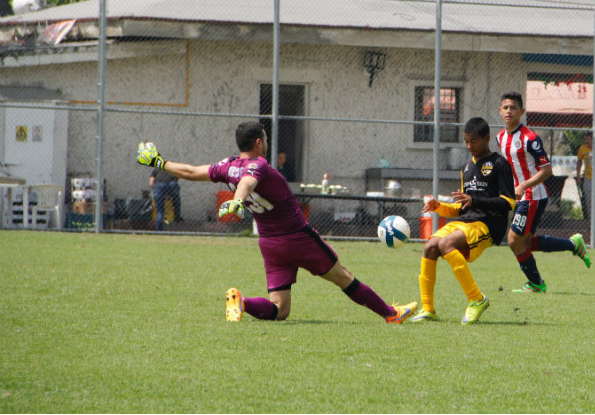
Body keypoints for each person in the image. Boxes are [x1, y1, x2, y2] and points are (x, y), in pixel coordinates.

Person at [136, 121, 417, 323]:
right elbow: (249, 181)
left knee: (280, 310)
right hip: (297, 237)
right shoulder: (258, 165)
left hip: (269, 244)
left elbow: (190, 171)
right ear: (258, 142)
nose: (267, 143)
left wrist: (159, 162)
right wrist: (238, 198)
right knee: (343, 277)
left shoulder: (228, 165)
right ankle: (391, 315)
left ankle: (242, 303)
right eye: (266, 139)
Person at [410, 117, 514, 325]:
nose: (469, 146)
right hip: (466, 221)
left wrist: (474, 200)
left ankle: (477, 299)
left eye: (473, 141)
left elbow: (508, 202)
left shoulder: (500, 164)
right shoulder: (466, 168)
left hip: (487, 224)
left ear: (486, 139)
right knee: (431, 245)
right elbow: (463, 207)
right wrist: (439, 207)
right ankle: (428, 308)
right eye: (466, 141)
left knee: (445, 243)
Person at [496, 92, 590, 294]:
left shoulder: (530, 138)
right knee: (525, 242)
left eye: (513, 107)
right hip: (520, 197)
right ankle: (573, 245)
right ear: (500, 111)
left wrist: (523, 185)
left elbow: (547, 170)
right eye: (506, 107)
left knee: (513, 240)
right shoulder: (500, 137)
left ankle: (536, 283)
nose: (509, 111)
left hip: (533, 196)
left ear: (521, 112)